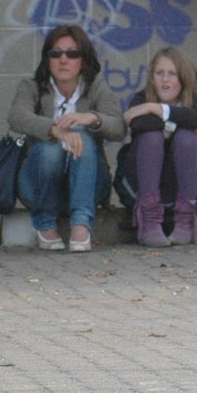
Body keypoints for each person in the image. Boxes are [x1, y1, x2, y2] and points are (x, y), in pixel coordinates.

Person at [8, 24, 124, 253]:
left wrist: (91, 118)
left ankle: (81, 223)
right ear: (47, 59)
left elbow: (119, 127)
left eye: (72, 53)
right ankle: (44, 222)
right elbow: (16, 117)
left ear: (83, 59)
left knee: (82, 134)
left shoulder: (95, 87)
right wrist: (55, 130)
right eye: (56, 53)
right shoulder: (32, 87)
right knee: (51, 147)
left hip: (89, 184)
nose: (64, 60)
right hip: (38, 186)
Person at [116, 46, 197, 247]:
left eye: (172, 74)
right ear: (152, 77)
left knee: (186, 138)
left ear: (183, 78)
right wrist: (173, 121)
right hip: (140, 182)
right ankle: (149, 221)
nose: (165, 80)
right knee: (152, 137)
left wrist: (155, 109)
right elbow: (137, 123)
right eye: (160, 73)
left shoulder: (195, 101)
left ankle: (185, 220)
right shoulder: (141, 99)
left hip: (176, 183)